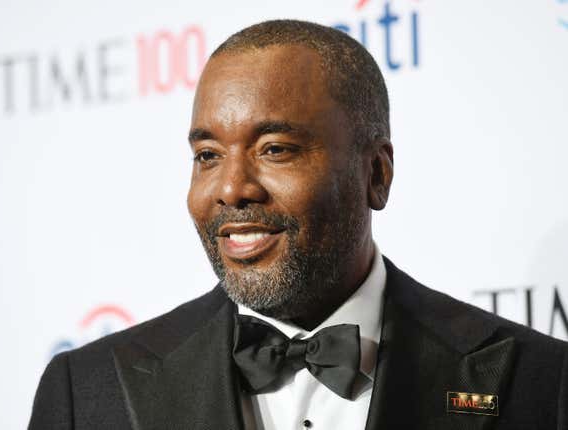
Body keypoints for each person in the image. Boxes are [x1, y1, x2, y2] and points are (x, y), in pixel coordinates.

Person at [28, 20, 568, 430]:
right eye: (208, 155)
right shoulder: (89, 392)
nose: (231, 188)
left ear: (376, 175)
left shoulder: (539, 382)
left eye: (275, 149)